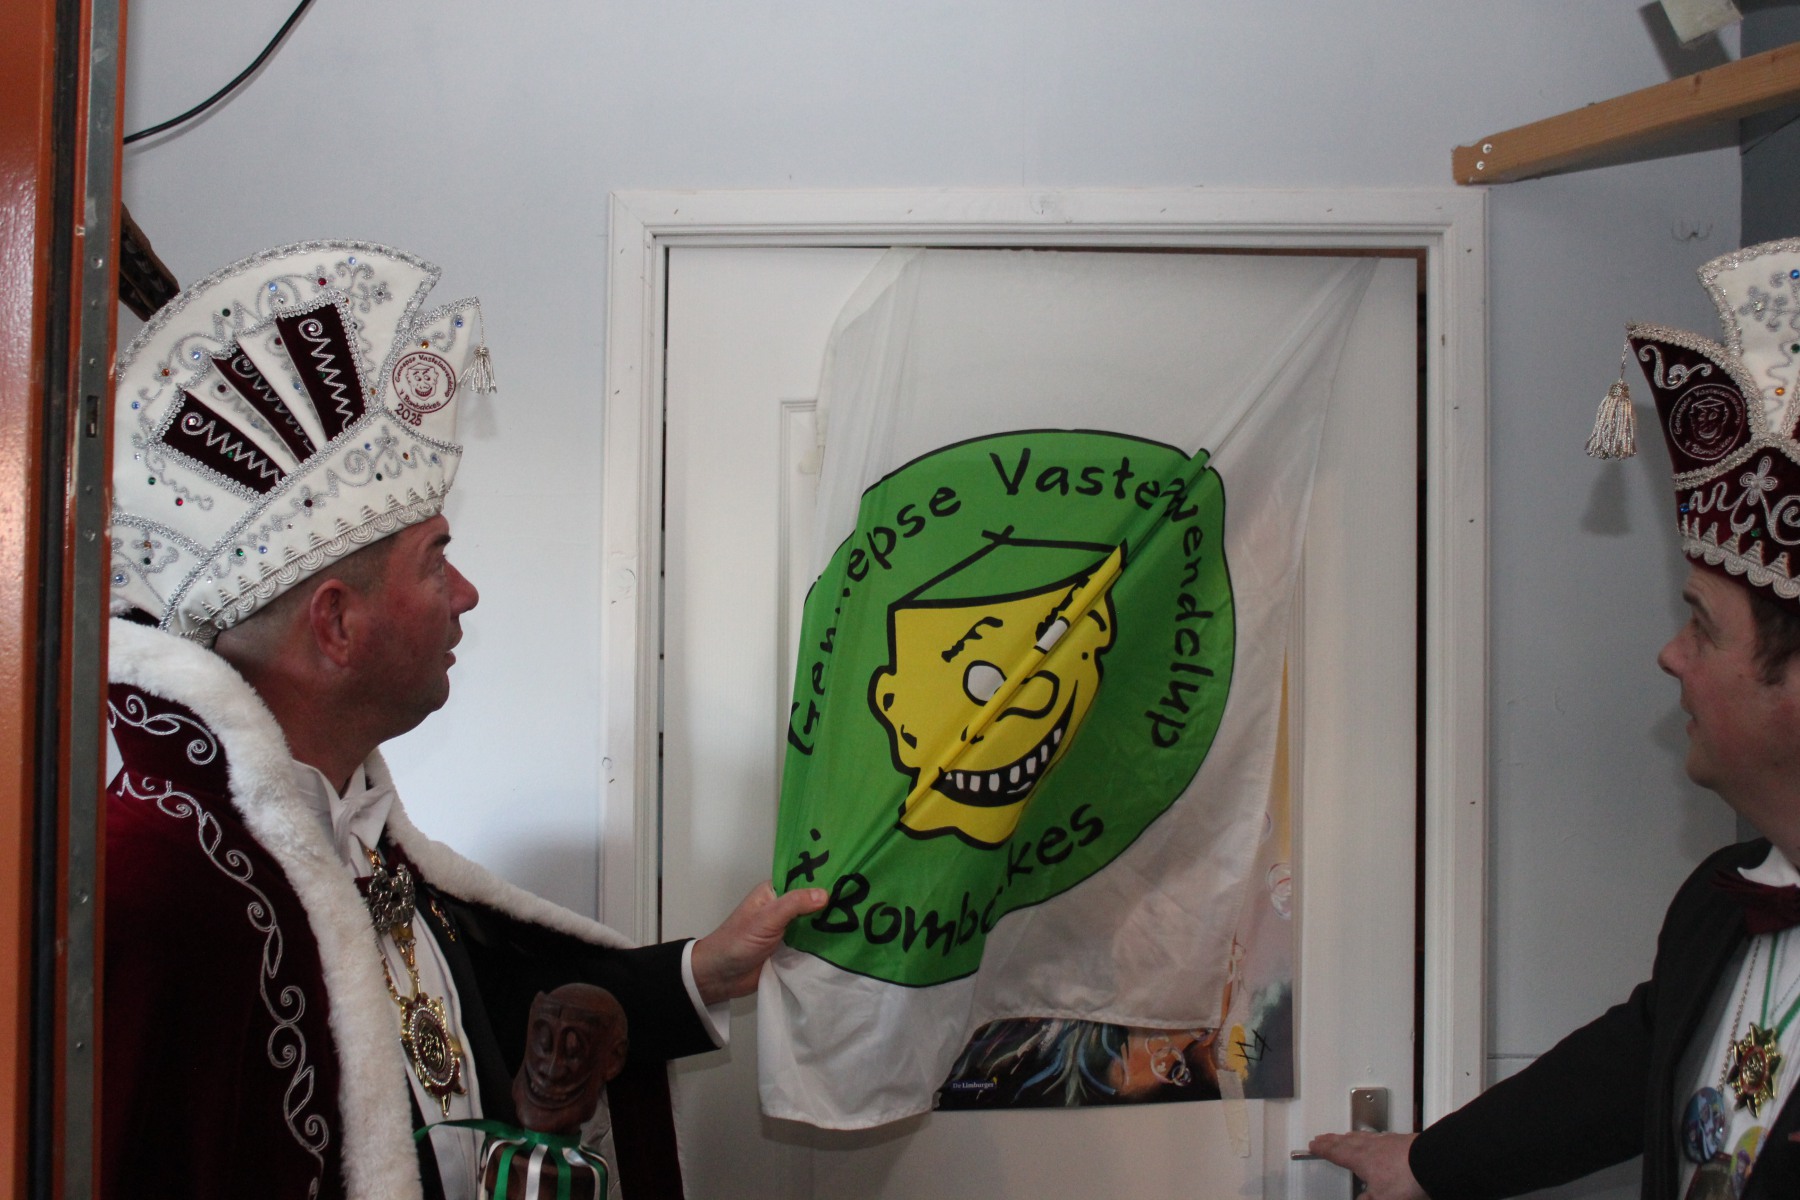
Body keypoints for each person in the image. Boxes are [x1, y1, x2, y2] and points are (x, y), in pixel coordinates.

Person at [101, 240, 825, 1200]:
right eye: (436, 559)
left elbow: (488, 1020)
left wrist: (709, 969)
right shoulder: (158, 883)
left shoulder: (358, 838)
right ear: (336, 624)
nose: (467, 593)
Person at [1311, 237, 1800, 1198]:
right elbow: (1631, 1064)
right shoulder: (1719, 904)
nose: (1670, 656)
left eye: (1703, 626)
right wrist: (1429, 1163)